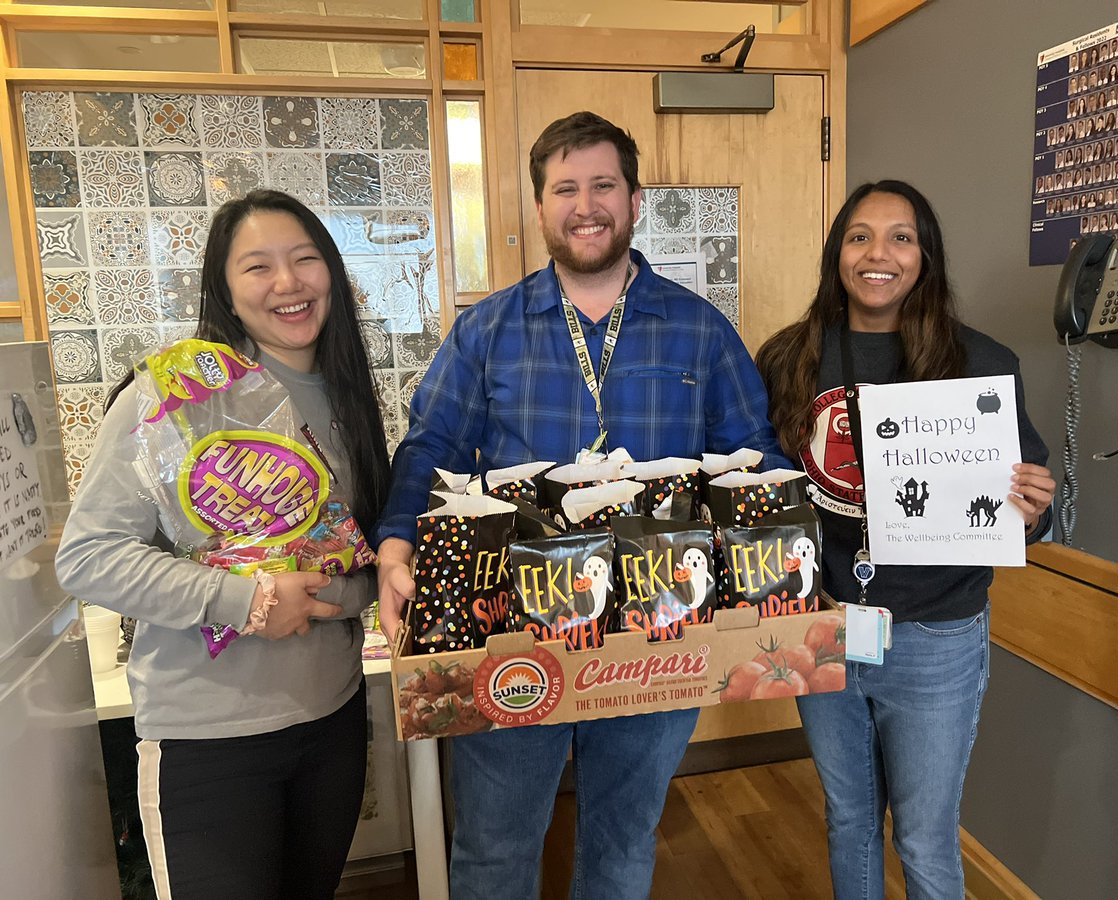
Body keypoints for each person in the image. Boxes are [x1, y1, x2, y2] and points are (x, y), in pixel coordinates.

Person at [372, 110, 787, 899]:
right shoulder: (486, 331)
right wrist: (397, 546)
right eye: (565, 188)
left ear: (635, 201)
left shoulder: (699, 331)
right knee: (495, 846)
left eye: (604, 185)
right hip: (515, 630)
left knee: (624, 838)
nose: (585, 204)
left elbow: (753, 458)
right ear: (539, 207)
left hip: (660, 626)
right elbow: (430, 448)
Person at [56, 189, 390, 900]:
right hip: (206, 742)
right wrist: (244, 600)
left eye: (305, 260)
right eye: (258, 266)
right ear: (226, 292)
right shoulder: (173, 394)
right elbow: (87, 555)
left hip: (330, 723)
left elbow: (362, 554)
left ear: (332, 272)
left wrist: (342, 592)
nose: (288, 283)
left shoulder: (345, 395)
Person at [755, 181, 1055, 900]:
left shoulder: (980, 364)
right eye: (859, 236)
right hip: (822, 624)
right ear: (837, 254)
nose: (878, 254)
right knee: (849, 818)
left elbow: (1029, 512)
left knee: (924, 835)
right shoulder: (787, 357)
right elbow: (758, 487)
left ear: (926, 255)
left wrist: (1036, 508)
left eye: (901, 236)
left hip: (936, 633)